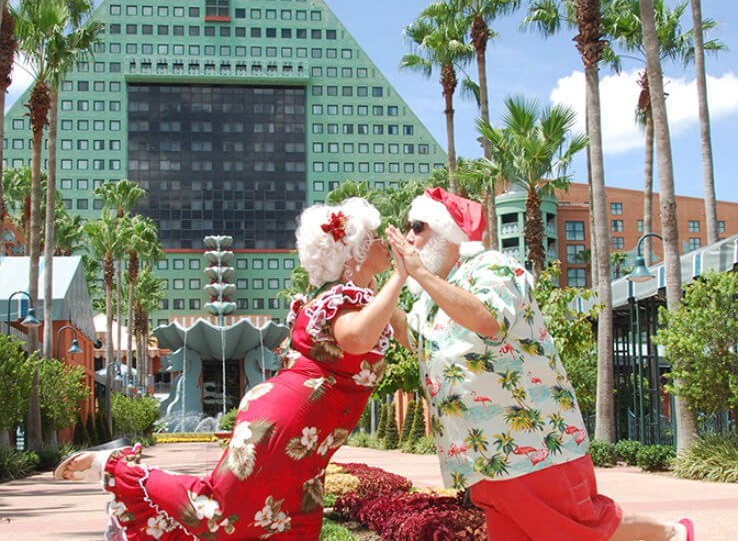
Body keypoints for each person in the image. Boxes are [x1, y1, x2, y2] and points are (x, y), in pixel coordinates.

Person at [55, 197, 407, 540]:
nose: (382, 243)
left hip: (308, 436)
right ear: (354, 252)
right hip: (286, 423)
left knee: (292, 527)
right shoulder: (341, 301)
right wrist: (400, 277)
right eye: (373, 236)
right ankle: (113, 468)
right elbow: (358, 339)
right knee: (218, 513)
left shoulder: (360, 298)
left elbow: (410, 336)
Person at [385, 187, 694, 541]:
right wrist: (377, 289)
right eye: (408, 226)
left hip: (533, 444)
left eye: (418, 226)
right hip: (482, 457)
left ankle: (671, 534)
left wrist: (421, 274)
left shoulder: (492, 267)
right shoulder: (433, 299)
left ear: (448, 231)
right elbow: (412, 338)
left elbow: (489, 321)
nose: (409, 235)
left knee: (582, 531)